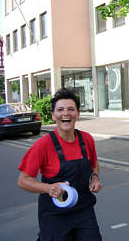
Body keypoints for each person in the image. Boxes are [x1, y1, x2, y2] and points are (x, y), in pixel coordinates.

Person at [18, 88, 103, 241]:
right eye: (60, 109)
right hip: (54, 213)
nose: (66, 113)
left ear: (77, 114)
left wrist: (95, 178)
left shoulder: (87, 139)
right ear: (53, 115)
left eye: (71, 109)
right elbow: (23, 180)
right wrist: (48, 188)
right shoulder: (42, 145)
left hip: (83, 209)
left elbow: (94, 163)